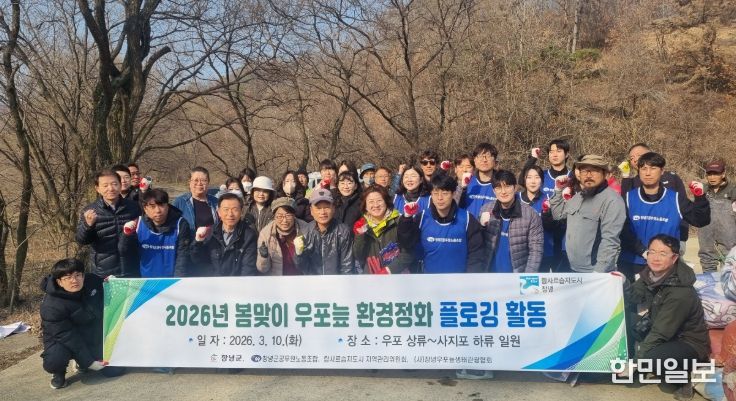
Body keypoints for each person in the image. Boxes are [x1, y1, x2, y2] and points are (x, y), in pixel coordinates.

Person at [624, 234, 710, 401]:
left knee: (654, 360)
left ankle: (685, 378)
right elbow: (634, 297)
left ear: (674, 258)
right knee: (624, 320)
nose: (656, 258)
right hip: (661, 327)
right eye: (652, 252)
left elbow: (661, 332)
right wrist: (624, 283)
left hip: (687, 342)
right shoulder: (650, 274)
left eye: (663, 253)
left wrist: (636, 362)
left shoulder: (681, 292)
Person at [619, 152, 710, 281]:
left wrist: (700, 199)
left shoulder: (676, 198)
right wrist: (643, 251)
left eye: (653, 168)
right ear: (638, 171)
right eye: (643, 169)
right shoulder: (628, 198)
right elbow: (622, 230)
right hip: (632, 262)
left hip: (665, 265)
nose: (648, 173)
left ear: (662, 171)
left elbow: (701, 221)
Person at [40, 258, 120, 389]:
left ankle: (81, 362)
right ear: (59, 282)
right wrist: (88, 361)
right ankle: (59, 373)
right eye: (68, 277)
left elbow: (105, 283)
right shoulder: (51, 306)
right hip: (63, 339)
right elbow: (67, 336)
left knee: (114, 371)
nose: (74, 280)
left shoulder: (92, 281)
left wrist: (113, 282)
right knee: (55, 360)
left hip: (91, 332)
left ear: (83, 275)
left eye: (78, 275)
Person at [550, 155, 626, 273]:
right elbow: (558, 214)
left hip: (594, 271)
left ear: (605, 174)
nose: (588, 175)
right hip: (573, 268)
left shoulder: (612, 200)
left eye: (594, 170)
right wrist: (558, 190)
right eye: (584, 171)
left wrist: (598, 274)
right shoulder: (579, 196)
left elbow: (610, 241)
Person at [620, 143, 690, 252]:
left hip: (669, 241)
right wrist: (625, 177)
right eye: (631, 158)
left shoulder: (671, 178)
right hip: (639, 243)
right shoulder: (631, 182)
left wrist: (683, 237)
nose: (635, 160)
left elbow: (683, 209)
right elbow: (624, 209)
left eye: (638, 155)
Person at [413, 174, 486, 273]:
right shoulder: (422, 218)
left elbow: (476, 254)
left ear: (453, 194)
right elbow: (409, 248)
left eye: (445, 193)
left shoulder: (467, 219)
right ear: (431, 194)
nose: (440, 198)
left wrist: (469, 278)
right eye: (435, 193)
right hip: (429, 279)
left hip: (459, 280)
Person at [76, 169, 141, 278]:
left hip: (132, 267)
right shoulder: (90, 210)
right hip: (103, 270)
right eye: (105, 185)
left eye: (114, 184)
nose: (110, 188)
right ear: (97, 188)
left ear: (120, 185)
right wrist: (88, 225)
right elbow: (81, 240)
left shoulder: (134, 207)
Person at [479, 170, 543, 273]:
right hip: (489, 275)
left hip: (517, 276)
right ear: (494, 191)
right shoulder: (485, 210)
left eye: (507, 186)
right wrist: (481, 226)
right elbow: (477, 245)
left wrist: (526, 278)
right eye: (498, 188)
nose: (503, 192)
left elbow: (536, 251)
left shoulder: (531, 215)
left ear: (515, 188)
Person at [121, 189, 191, 278]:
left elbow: (183, 256)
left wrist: (177, 281)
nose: (158, 210)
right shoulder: (137, 224)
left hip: (171, 280)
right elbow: (124, 251)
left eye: (161, 205)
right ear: (145, 209)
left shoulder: (180, 224)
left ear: (167, 206)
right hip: (144, 281)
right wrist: (126, 235)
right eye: (152, 206)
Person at [353, 185, 418, 274]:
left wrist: (390, 270)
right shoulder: (362, 225)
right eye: (371, 202)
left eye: (379, 200)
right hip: (373, 277)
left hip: (397, 276)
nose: (376, 205)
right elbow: (359, 256)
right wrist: (360, 236)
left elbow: (408, 253)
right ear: (365, 206)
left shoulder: (400, 221)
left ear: (386, 202)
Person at [191, 193, 258, 276]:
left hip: (237, 282)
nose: (230, 214)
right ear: (219, 212)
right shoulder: (209, 232)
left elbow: (248, 268)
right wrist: (198, 242)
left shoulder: (249, 236)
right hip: (214, 281)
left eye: (235, 209)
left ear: (241, 212)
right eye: (226, 209)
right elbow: (197, 260)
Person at [518, 165, 567, 272]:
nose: (533, 181)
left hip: (545, 253)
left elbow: (557, 226)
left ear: (542, 180)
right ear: (524, 179)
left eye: (537, 177)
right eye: (529, 177)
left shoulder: (549, 200)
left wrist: (547, 214)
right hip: (520, 253)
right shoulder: (516, 199)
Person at [301, 188, 356, 275]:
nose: (323, 212)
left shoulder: (343, 232)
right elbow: (302, 266)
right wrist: (298, 254)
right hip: (313, 281)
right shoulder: (305, 232)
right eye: (318, 208)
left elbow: (347, 267)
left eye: (326, 207)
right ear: (311, 211)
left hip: (337, 281)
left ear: (333, 208)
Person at [256, 197, 312, 275]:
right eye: (280, 216)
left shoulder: (306, 229)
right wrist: (264, 257)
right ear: (274, 216)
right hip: (277, 279)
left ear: (294, 215)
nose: (284, 220)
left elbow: (312, 262)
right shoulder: (266, 233)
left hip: (301, 278)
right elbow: (262, 270)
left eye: (288, 215)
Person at [698, 159, 736, 272]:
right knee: (707, 263)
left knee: (729, 265)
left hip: (729, 238)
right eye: (709, 174)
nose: (712, 177)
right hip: (706, 236)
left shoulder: (733, 190)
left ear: (723, 174)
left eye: (716, 174)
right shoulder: (702, 190)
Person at [459, 143, 498, 219]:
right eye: (480, 156)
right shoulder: (466, 183)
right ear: (474, 161)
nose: (484, 160)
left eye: (488, 156)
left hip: (492, 226)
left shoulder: (502, 184)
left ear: (495, 162)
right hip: (467, 225)